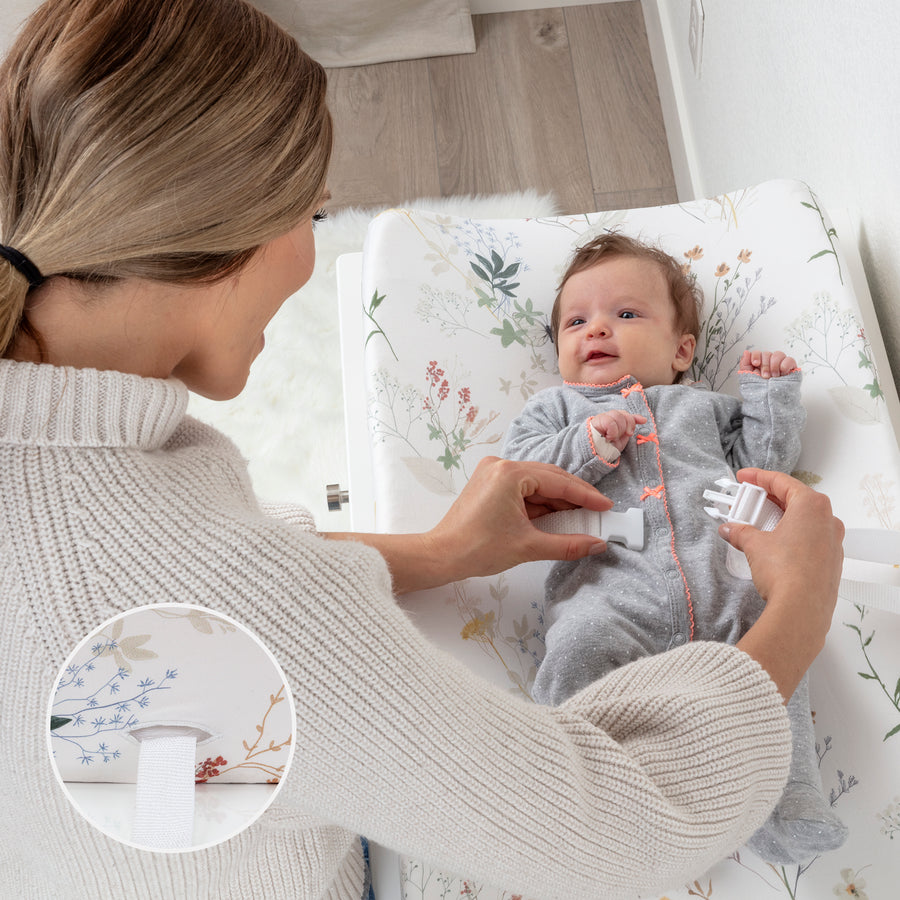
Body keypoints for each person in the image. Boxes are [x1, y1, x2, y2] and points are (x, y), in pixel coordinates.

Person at [0, 2, 844, 899]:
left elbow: (152, 610)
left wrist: (439, 552)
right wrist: (799, 598)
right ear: (228, 236)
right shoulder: (238, 612)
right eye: (314, 216)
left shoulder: (158, 562)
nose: (311, 253)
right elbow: (608, 829)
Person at [503, 232, 847, 864]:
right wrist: (588, 444)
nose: (597, 329)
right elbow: (522, 477)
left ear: (681, 349)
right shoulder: (554, 408)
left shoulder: (702, 409)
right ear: (559, 354)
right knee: (576, 651)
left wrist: (768, 397)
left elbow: (766, 467)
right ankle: (569, 794)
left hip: (722, 592)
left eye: (626, 314)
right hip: (608, 594)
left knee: (775, 665)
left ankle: (785, 798)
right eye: (576, 321)